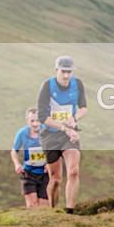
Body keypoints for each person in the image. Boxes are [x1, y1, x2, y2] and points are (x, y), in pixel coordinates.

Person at [37, 56, 88, 214]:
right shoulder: (47, 86)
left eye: (69, 72)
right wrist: (64, 127)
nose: (66, 76)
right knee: (56, 178)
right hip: (50, 135)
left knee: (73, 171)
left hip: (69, 136)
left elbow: (84, 108)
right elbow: (42, 117)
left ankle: (69, 211)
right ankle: (53, 209)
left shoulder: (77, 84)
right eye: (63, 72)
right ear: (56, 71)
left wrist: (74, 118)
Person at [10, 107, 50, 208]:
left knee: (44, 206)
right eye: (32, 121)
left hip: (45, 174)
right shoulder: (22, 133)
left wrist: (50, 164)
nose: (35, 124)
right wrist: (17, 164)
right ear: (27, 121)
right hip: (28, 173)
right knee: (32, 205)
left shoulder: (47, 132)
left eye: (37, 120)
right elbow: (14, 151)